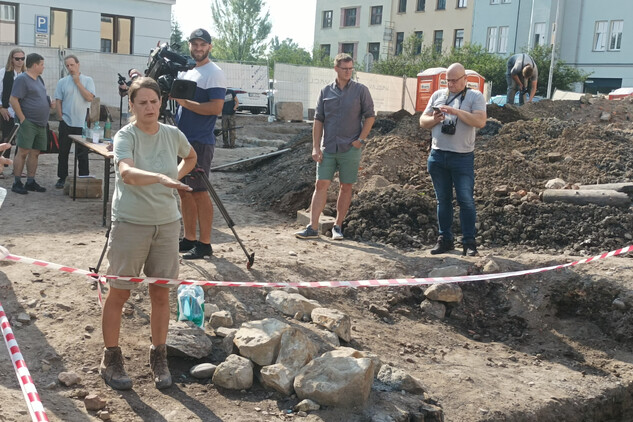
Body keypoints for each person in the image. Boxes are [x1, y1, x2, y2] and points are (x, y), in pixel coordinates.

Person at [99, 77, 197, 391]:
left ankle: (159, 356)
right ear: (132, 106)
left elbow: (191, 156)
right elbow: (126, 173)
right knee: (120, 292)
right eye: (142, 102)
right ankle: (111, 358)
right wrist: (160, 177)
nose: (149, 107)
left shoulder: (172, 134)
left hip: (167, 225)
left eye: (154, 101)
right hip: (130, 223)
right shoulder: (126, 135)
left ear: (161, 102)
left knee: (160, 293)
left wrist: (173, 176)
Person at [295, 53, 375, 241]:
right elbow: (318, 120)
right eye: (344, 69)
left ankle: (338, 226)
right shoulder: (325, 91)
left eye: (350, 69)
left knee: (346, 187)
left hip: (351, 147)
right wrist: (315, 147)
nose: (348, 72)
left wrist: (360, 140)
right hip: (328, 147)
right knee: (320, 183)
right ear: (336, 69)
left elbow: (370, 117)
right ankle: (312, 227)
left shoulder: (361, 91)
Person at [419, 63, 487, 256]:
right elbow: (422, 121)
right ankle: (445, 239)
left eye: (454, 80)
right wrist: (435, 119)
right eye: (447, 80)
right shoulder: (437, 95)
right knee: (443, 200)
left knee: (466, 200)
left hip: (462, 157)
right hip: (438, 154)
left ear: (465, 79)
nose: (450, 84)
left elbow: (480, 121)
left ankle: (469, 243)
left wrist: (456, 112)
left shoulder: (475, 97)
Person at [174, 28, 227, 259]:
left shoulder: (214, 73)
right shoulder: (188, 71)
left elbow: (216, 108)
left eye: (202, 44)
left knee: (199, 192)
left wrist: (185, 103)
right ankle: (189, 238)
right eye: (194, 44)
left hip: (199, 142)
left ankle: (205, 244)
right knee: (184, 191)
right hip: (181, 140)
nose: (198, 48)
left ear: (209, 47)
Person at [9, 53, 51, 195]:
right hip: (29, 122)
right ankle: (17, 182)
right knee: (23, 152)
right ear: (35, 65)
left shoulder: (39, 79)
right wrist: (22, 119)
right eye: (42, 64)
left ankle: (30, 181)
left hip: (41, 123)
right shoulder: (22, 79)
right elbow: (13, 99)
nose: (43, 67)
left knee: (35, 153)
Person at [54, 55, 96, 189]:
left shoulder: (88, 80)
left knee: (82, 153)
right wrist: (60, 116)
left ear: (78, 64)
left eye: (72, 65)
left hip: (82, 122)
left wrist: (78, 82)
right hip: (66, 121)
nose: (70, 68)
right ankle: (62, 177)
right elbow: (58, 100)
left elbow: (90, 97)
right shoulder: (62, 82)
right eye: (67, 66)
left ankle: (83, 176)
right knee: (63, 152)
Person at [0, 48, 26, 179]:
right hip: (8, 112)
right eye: (17, 58)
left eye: (22, 58)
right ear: (12, 59)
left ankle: (17, 169)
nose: (20, 61)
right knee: (6, 140)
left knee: (21, 143)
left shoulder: (26, 74)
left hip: (23, 112)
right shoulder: (3, 73)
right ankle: (1, 169)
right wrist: (1, 107)